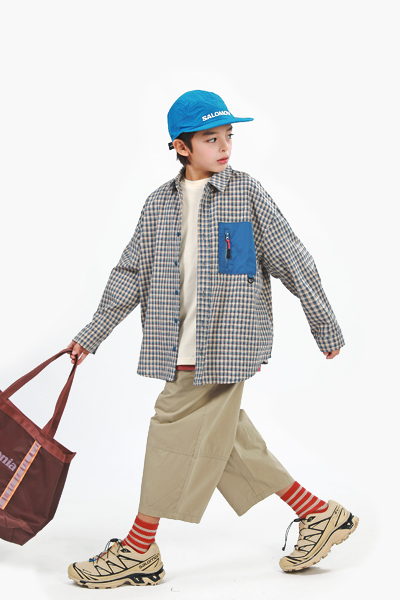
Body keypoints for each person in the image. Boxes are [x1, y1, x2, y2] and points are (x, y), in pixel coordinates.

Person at [66, 90, 358, 589]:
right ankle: (318, 514)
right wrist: (93, 333)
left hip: (227, 347)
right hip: (175, 344)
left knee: (170, 431)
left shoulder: (246, 194)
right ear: (181, 147)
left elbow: (292, 257)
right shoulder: (158, 204)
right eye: (210, 138)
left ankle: (139, 549)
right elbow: (130, 272)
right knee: (223, 439)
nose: (224, 147)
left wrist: (323, 324)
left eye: (228, 136)